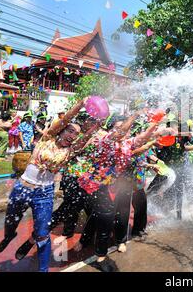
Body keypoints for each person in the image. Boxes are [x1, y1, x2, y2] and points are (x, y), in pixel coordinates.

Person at [0, 98, 100, 272]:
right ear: (61, 130)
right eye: (70, 131)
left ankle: (43, 269)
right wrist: (81, 105)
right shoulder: (48, 137)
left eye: (76, 134)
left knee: (43, 234)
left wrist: (98, 122)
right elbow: (67, 118)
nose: (72, 136)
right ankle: (9, 235)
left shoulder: (70, 151)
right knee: (10, 222)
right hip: (23, 188)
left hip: (44, 194)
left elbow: (88, 136)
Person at [74, 113, 172, 272]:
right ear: (111, 128)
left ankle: (116, 244)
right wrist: (135, 114)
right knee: (101, 218)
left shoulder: (127, 144)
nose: (124, 132)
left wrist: (155, 123)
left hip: (121, 184)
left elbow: (142, 138)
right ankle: (96, 251)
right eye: (119, 128)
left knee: (119, 215)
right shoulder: (104, 140)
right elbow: (125, 138)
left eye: (125, 129)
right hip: (99, 187)